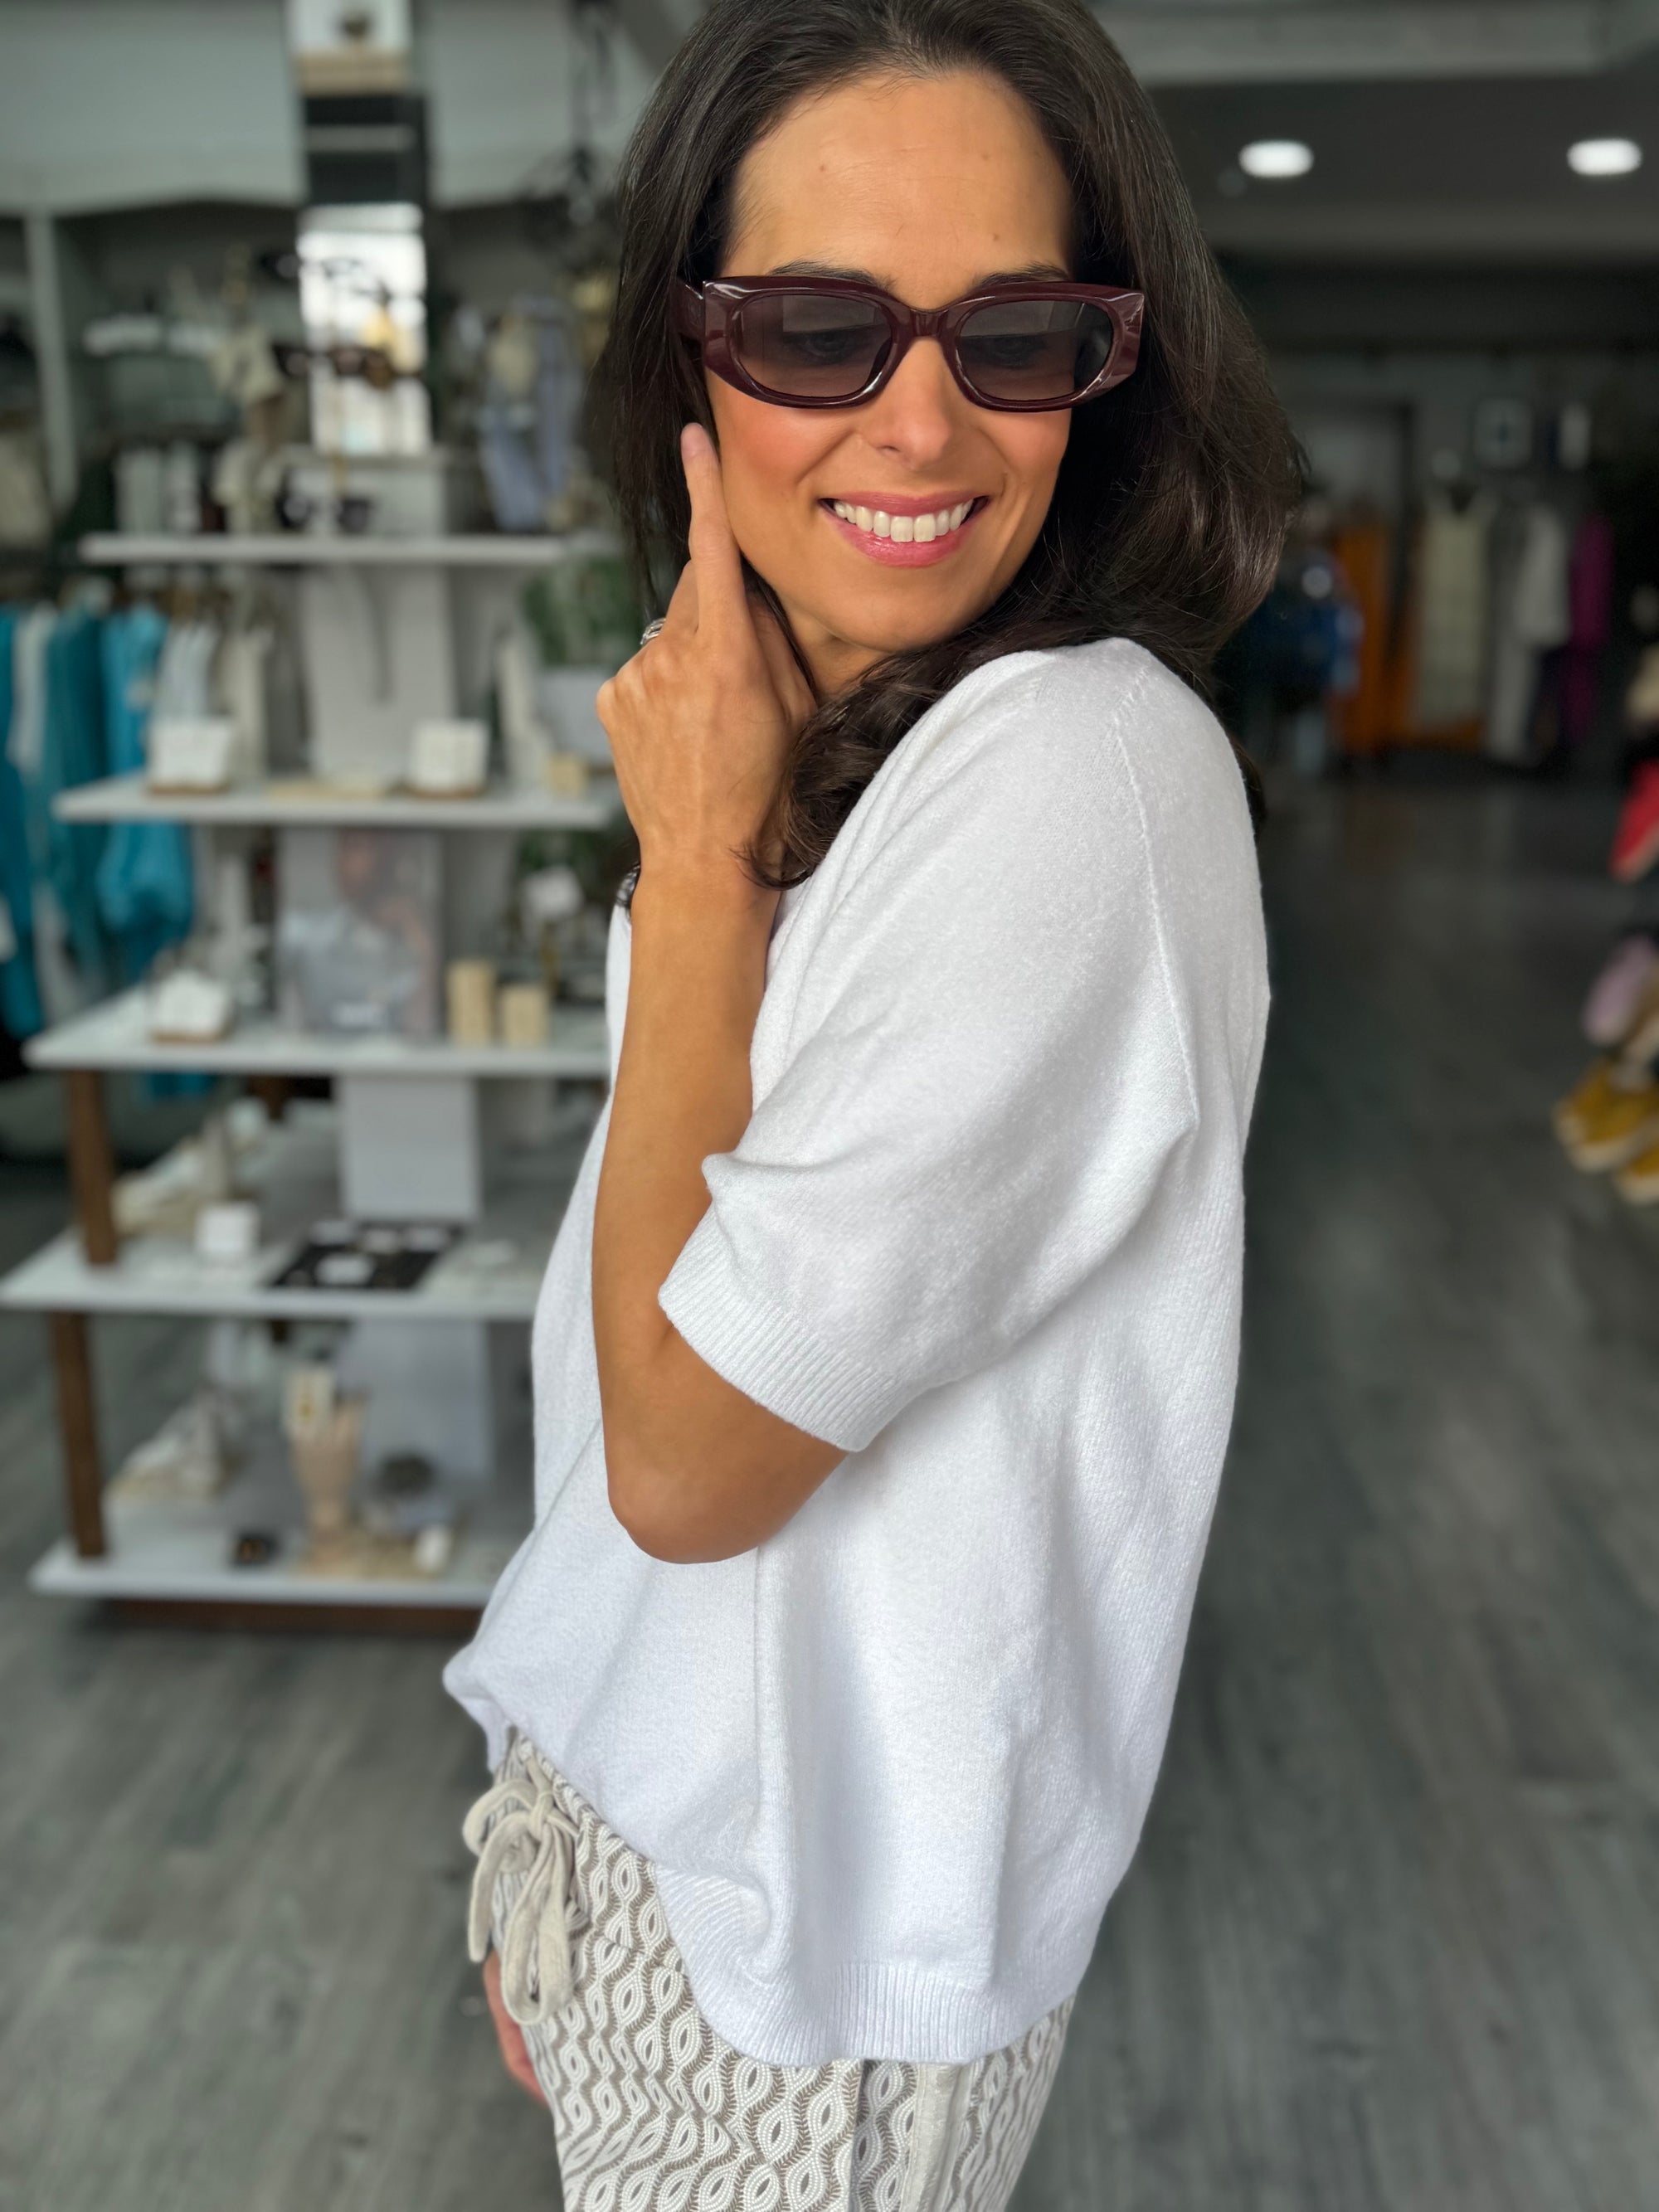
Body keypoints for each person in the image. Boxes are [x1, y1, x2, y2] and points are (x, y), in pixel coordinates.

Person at [444, 2, 1298, 2203]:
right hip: (668, 1841)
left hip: (807, 1947)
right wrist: (566, 1785)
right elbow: (638, 1335)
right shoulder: (808, 741)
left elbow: (693, 1464)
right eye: (820, 328)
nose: (922, 420)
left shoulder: (1075, 769)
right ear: (689, 353)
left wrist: (694, 869)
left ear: (1107, 366)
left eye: (1015, 335)